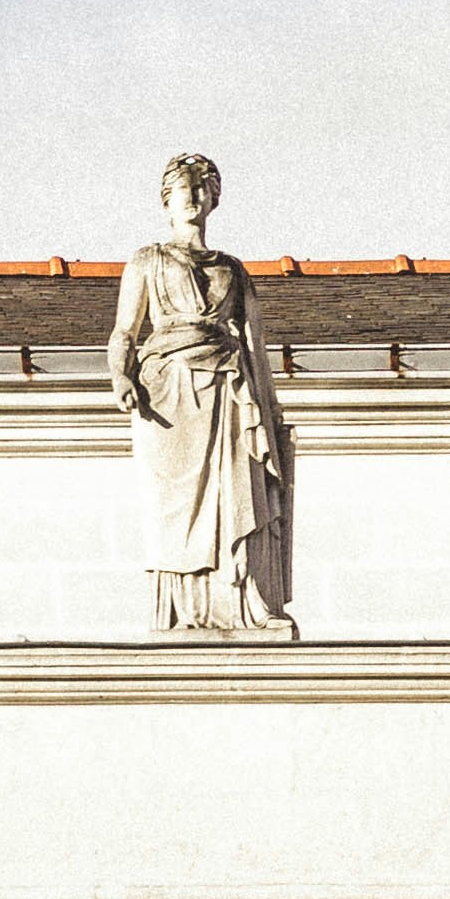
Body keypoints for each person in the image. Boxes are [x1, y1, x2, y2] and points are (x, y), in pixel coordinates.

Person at [108, 153, 296, 638]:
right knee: (179, 504)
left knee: (236, 493)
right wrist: (120, 376)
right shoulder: (146, 261)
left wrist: (269, 416)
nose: (193, 196)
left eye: (202, 188)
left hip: (231, 391)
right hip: (167, 391)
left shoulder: (232, 270)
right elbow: (125, 331)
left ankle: (243, 603)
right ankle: (184, 609)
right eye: (183, 189)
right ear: (167, 200)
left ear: (213, 198)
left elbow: (255, 344)